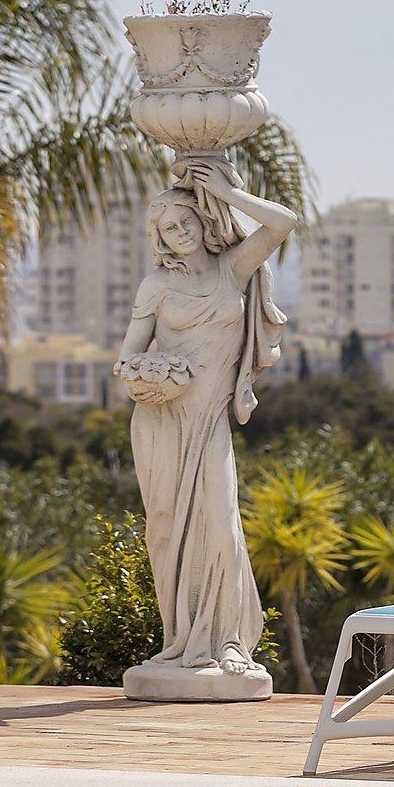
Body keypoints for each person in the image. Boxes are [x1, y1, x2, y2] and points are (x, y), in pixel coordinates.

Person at [114, 157, 294, 682]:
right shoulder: (155, 286)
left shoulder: (232, 271)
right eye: (168, 228)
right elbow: (126, 356)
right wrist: (148, 373)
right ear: (161, 238)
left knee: (219, 527)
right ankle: (178, 642)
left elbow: (282, 223)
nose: (178, 232)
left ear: (201, 222)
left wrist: (223, 190)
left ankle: (227, 643)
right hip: (160, 419)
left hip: (207, 422)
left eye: (185, 222)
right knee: (165, 529)